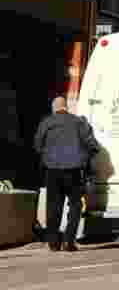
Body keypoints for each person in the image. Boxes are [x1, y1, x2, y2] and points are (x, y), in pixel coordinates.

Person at [33, 96, 100, 252]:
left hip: (52, 171)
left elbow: (37, 145)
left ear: (54, 108)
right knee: (76, 205)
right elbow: (92, 145)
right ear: (66, 107)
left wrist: (48, 156)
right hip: (74, 171)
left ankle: (53, 243)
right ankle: (69, 241)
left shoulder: (46, 123)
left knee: (53, 206)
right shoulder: (78, 122)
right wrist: (85, 158)